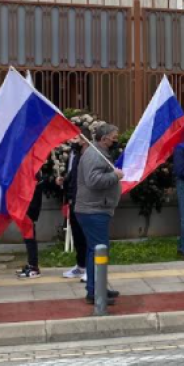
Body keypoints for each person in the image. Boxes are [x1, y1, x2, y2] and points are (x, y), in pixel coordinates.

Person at [76, 123, 123, 305]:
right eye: (114, 137)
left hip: (95, 209)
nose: (116, 140)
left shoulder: (98, 153)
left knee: (94, 250)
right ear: (104, 139)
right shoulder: (95, 155)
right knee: (98, 251)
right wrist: (115, 176)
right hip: (93, 210)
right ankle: (96, 292)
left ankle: (97, 287)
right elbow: (93, 180)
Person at [59, 136, 90, 279]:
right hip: (72, 200)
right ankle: (81, 265)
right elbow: (72, 177)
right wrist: (64, 181)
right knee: (77, 235)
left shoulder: (88, 155)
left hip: (84, 202)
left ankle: (90, 268)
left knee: (86, 236)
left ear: (84, 140)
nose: (72, 140)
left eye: (76, 137)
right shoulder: (73, 154)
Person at [16, 170, 50, 279]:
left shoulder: (33, 172)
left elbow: (34, 194)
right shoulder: (32, 170)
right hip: (28, 207)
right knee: (28, 238)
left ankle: (34, 267)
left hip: (30, 209)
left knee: (30, 238)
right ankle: (31, 264)